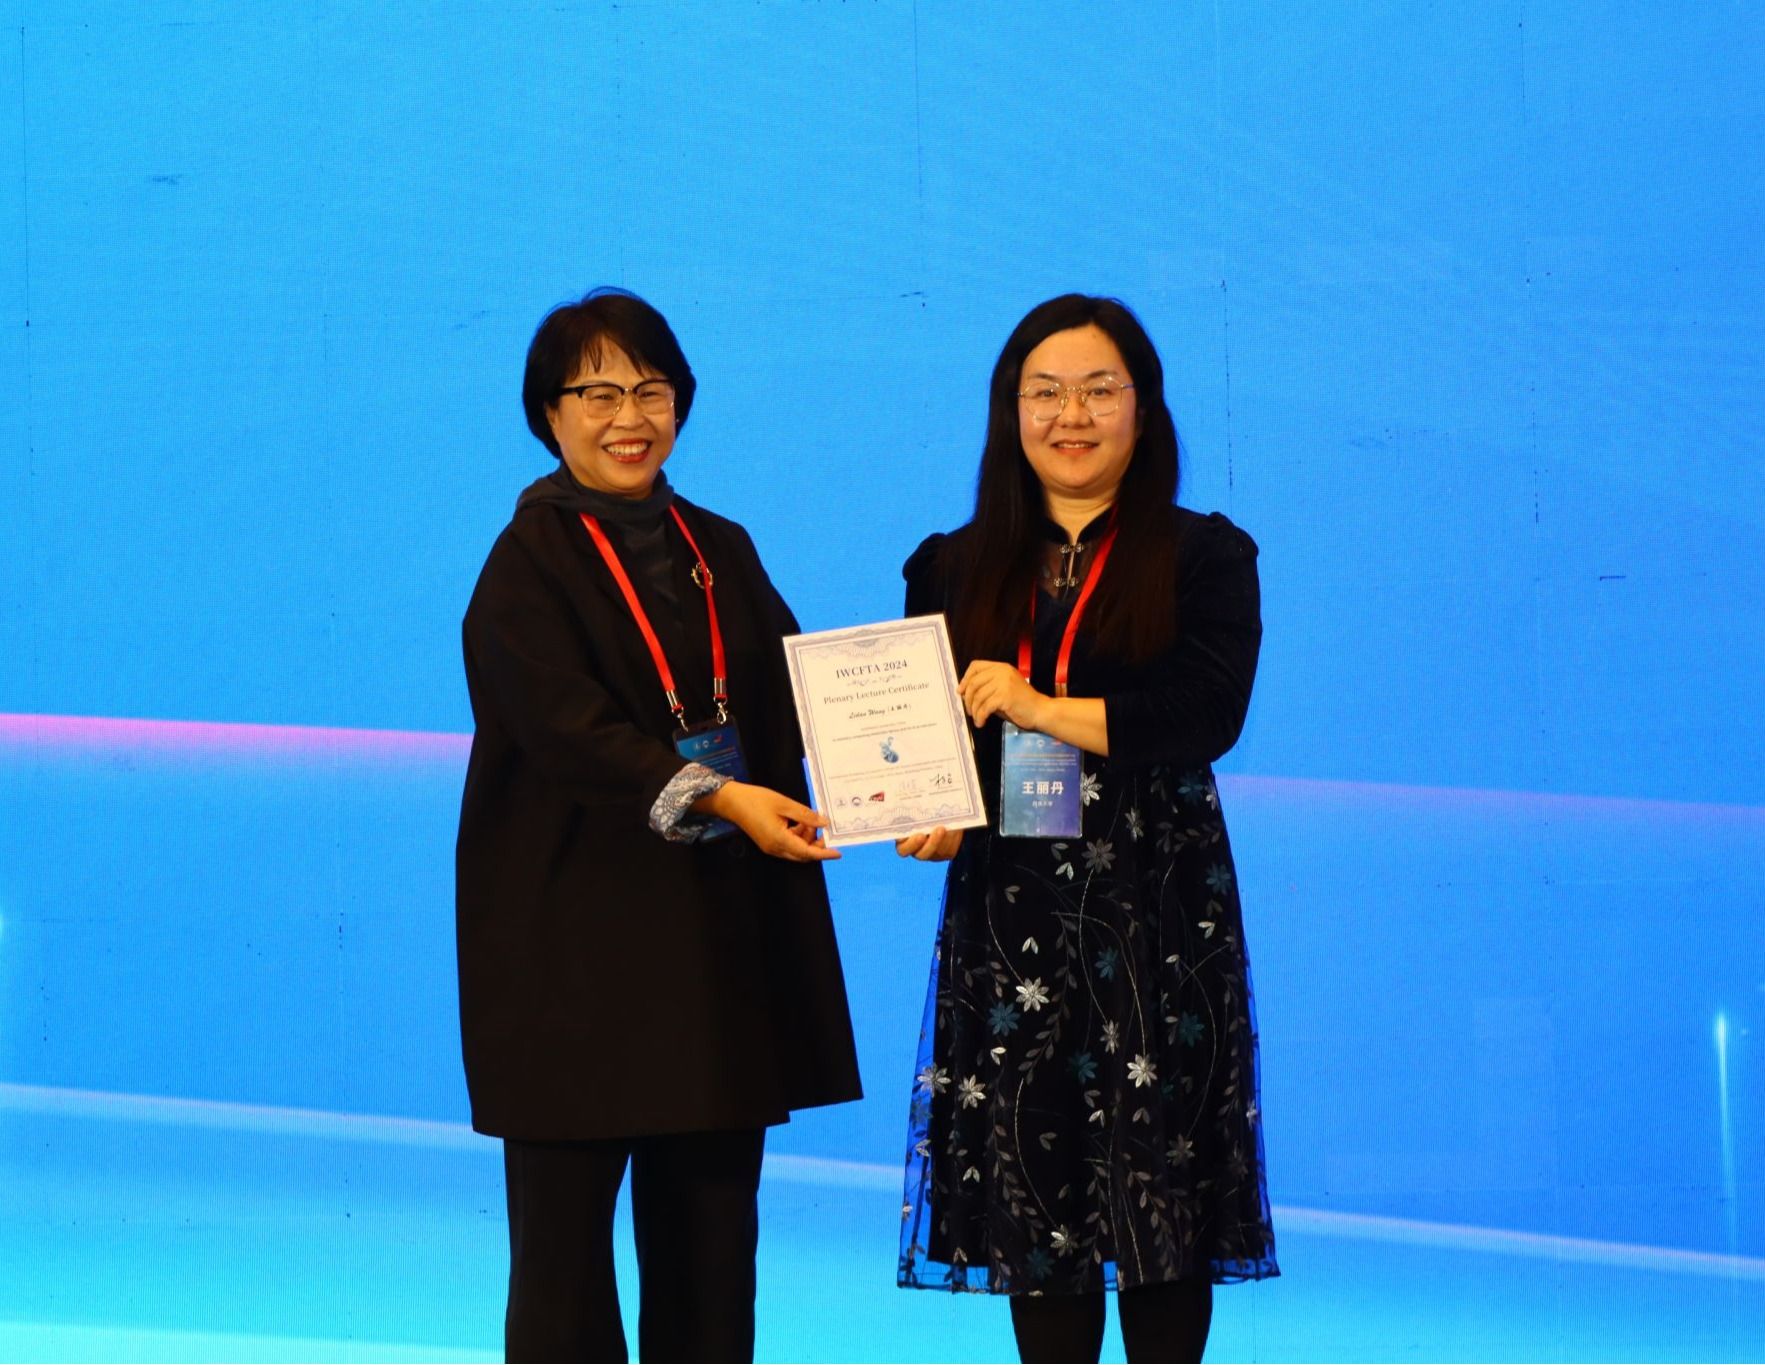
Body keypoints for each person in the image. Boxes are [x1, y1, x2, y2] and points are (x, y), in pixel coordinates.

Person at [456, 287, 862, 1363]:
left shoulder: (718, 545)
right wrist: (721, 796)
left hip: (711, 958)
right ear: (549, 414)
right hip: (570, 967)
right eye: (597, 394)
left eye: (650, 390)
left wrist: (905, 773)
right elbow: (570, 731)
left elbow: (792, 696)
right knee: (563, 1277)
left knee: (712, 1264)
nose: (628, 417)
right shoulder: (525, 562)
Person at [894, 295, 1278, 1363]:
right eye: (1046, 393)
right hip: (1012, 912)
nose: (1072, 415)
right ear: (1009, 412)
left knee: (1163, 1195)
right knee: (1038, 1192)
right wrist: (933, 809)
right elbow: (934, 742)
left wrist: (1039, 706)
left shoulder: (1203, 556)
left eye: (1099, 390)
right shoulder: (951, 566)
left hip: (1157, 903)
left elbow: (1204, 715)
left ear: (1142, 409)